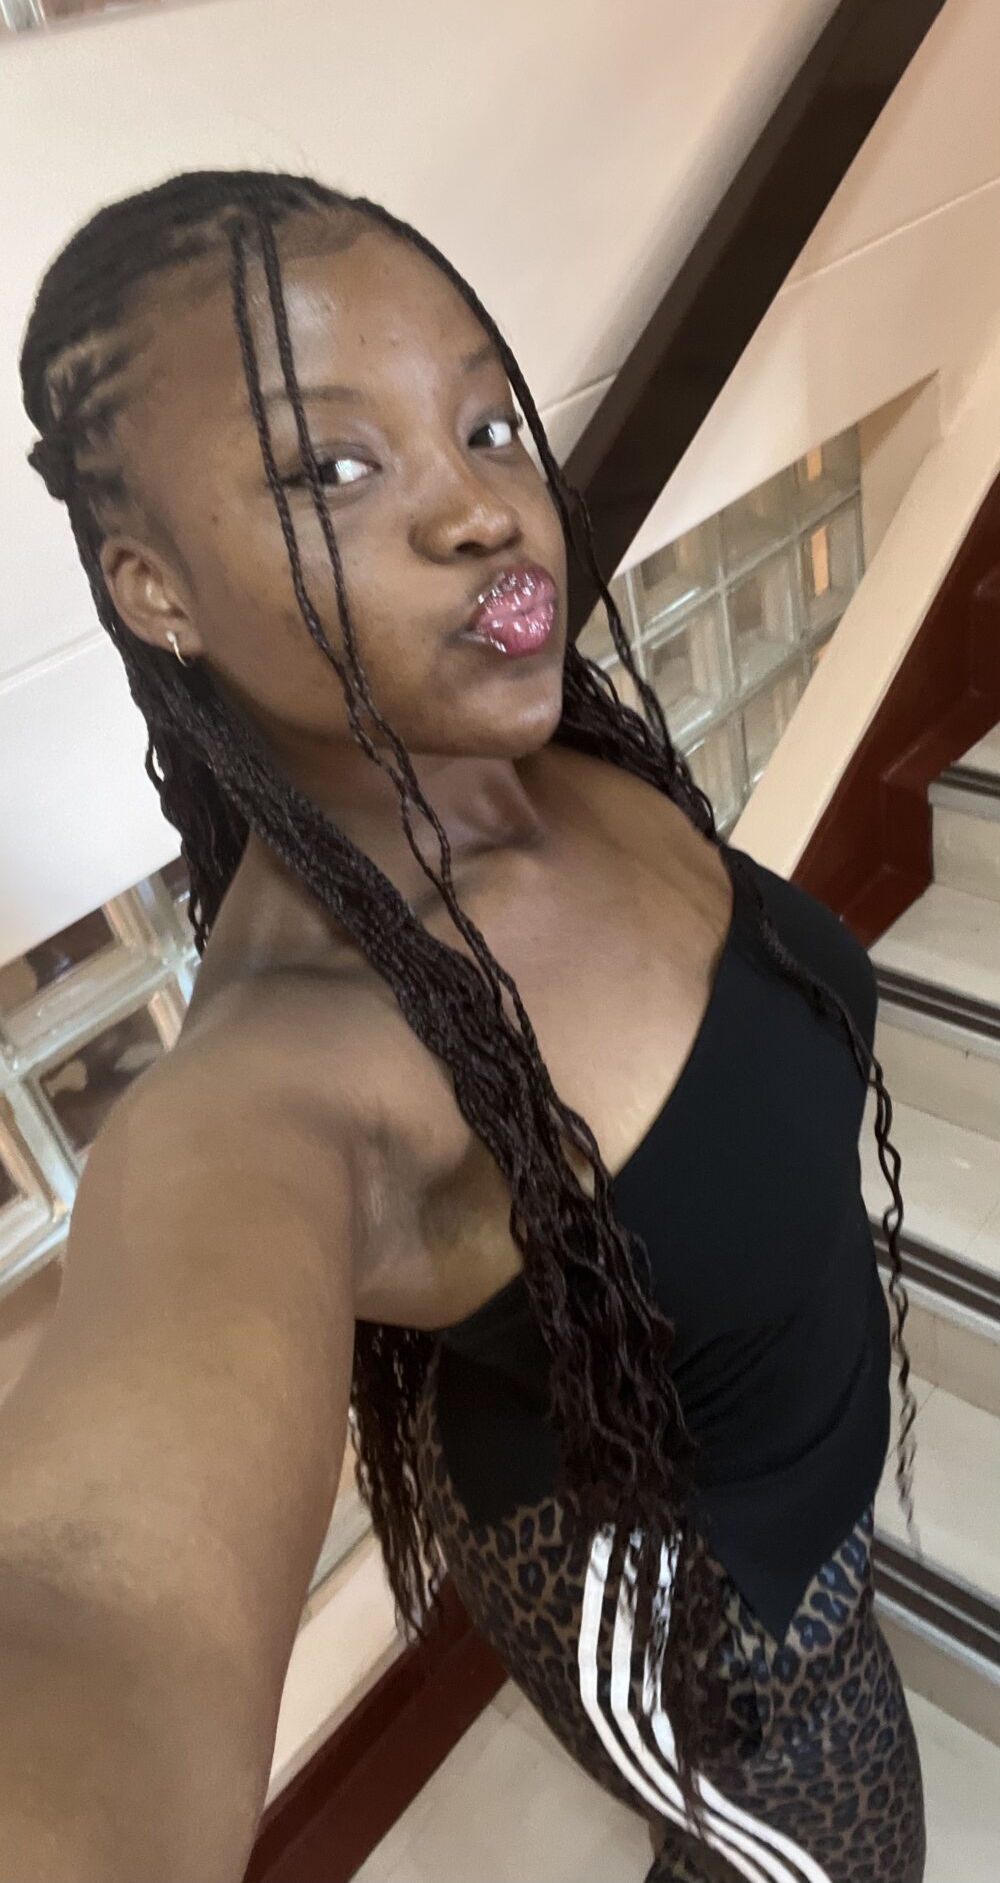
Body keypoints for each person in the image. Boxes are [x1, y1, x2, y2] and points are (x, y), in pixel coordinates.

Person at [2, 169, 924, 1883]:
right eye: (332, 468)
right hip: (696, 1634)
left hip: (785, 1504)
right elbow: (88, 1598)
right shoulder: (285, 1077)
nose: (485, 510)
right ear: (154, 586)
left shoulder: (544, 751)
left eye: (489, 425)